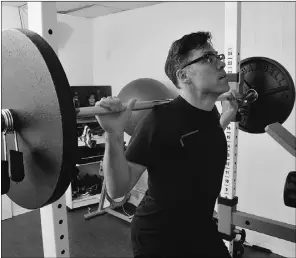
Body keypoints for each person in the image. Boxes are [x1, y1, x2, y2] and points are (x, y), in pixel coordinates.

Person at [95, 31, 240, 258]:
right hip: (160, 238)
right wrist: (113, 135)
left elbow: (196, 142)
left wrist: (227, 117)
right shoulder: (159, 122)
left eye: (218, 56)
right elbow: (117, 188)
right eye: (208, 58)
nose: (221, 63)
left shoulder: (209, 112)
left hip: (200, 228)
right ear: (184, 76)